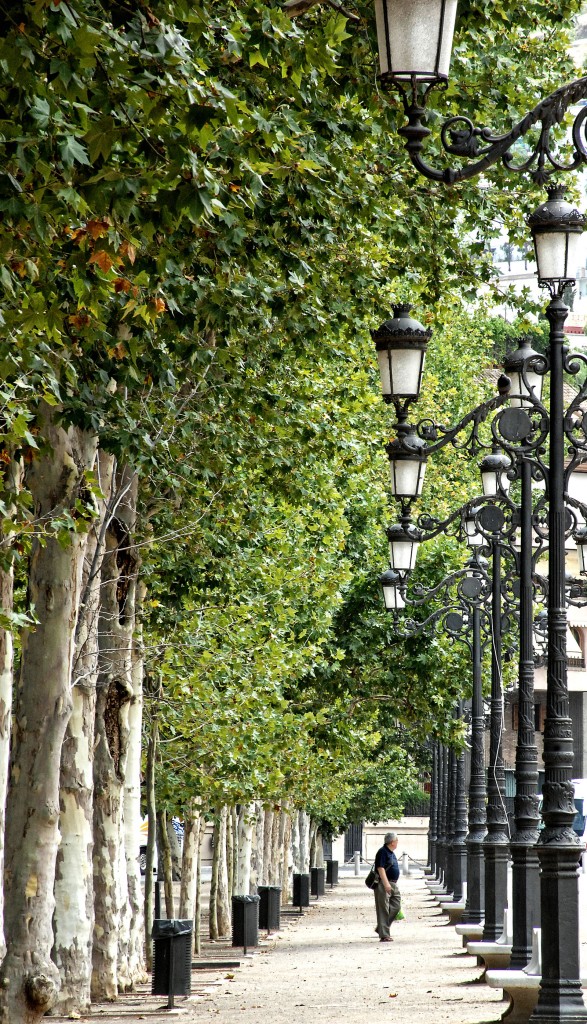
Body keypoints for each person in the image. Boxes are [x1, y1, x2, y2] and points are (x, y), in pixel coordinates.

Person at [374, 831, 401, 942]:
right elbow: (380, 868)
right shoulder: (382, 852)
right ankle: (384, 935)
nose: (397, 842)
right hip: (384, 883)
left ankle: (381, 927)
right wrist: (386, 884)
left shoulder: (391, 852)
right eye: (396, 840)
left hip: (393, 883)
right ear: (392, 842)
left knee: (396, 905)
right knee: (383, 908)